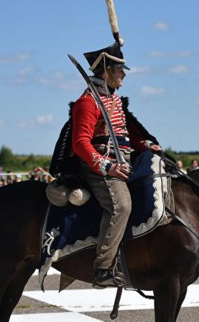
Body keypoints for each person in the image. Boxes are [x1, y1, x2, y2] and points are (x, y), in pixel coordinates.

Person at [69, 39, 162, 288]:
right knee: (121, 205)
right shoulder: (88, 101)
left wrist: (144, 145)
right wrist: (107, 167)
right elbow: (80, 143)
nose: (123, 75)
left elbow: (123, 134)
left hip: (123, 162)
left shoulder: (114, 99)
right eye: (120, 70)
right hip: (98, 168)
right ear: (107, 71)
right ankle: (103, 267)